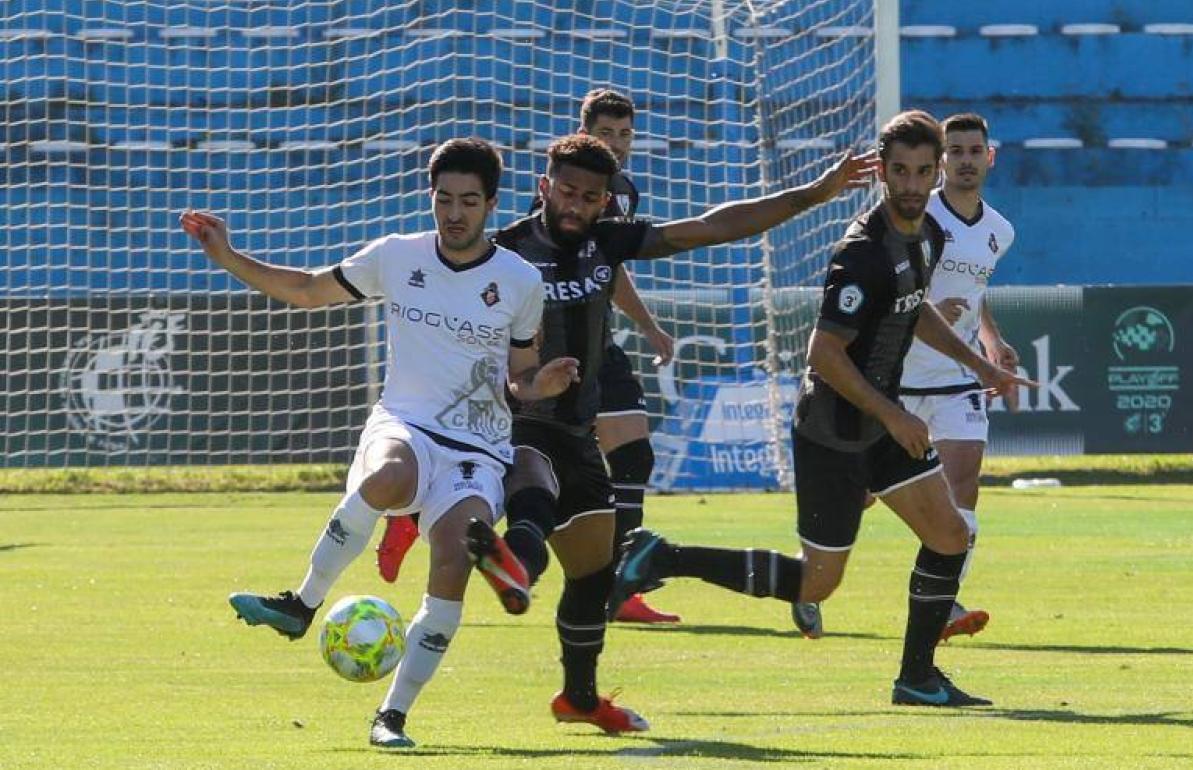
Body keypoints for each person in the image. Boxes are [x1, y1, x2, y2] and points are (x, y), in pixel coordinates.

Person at [608, 111, 1036, 707]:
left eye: (922, 172)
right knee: (817, 582)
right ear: (881, 173)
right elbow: (824, 353)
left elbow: (917, 311)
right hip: (834, 430)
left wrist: (981, 362)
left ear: (935, 171)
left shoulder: (928, 236)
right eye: (899, 172)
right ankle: (667, 556)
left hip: (880, 421)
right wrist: (893, 415)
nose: (912, 185)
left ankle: (917, 677)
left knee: (949, 534)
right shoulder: (860, 251)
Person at [181, 138, 578, 749]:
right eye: (443, 199)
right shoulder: (396, 256)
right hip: (406, 422)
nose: (453, 213)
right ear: (431, 197)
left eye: (468, 201)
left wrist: (538, 382)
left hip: (478, 448)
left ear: (491, 205)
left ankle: (391, 716)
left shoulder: (520, 282)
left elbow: (519, 377)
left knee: (454, 559)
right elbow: (312, 289)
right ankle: (302, 603)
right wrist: (229, 256)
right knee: (386, 476)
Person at [495, 133, 875, 732]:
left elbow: (712, 226)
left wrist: (818, 192)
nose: (575, 205)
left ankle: (580, 698)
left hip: (577, 434)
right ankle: (510, 565)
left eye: (589, 197)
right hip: (516, 424)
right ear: (544, 187)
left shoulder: (606, 242)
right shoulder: (503, 254)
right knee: (531, 494)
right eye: (566, 191)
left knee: (594, 575)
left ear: (605, 202)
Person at [374, 89, 680, 625]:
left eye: (625, 134)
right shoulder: (547, 211)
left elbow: (610, 267)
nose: (616, 143)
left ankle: (608, 575)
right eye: (606, 133)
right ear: (584, 132)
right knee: (536, 471)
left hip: (595, 346)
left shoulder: (618, 194)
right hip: (541, 354)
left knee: (632, 457)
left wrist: (646, 324)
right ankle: (424, 511)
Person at [791, 113, 1018, 643]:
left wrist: (990, 341)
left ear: (990, 157)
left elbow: (974, 290)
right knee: (859, 502)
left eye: (972, 151)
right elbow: (903, 298)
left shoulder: (999, 231)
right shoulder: (913, 217)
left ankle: (942, 602)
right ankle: (807, 583)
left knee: (961, 492)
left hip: (957, 376)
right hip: (895, 380)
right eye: (956, 151)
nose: (964, 161)